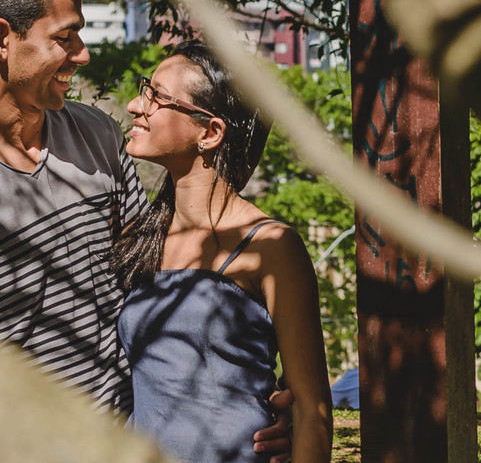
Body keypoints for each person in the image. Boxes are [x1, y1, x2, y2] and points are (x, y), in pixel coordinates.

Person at [0, 0, 291, 458]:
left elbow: (161, 281)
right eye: (66, 37)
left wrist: (266, 401)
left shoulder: (97, 135)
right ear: (1, 37)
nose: (83, 53)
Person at [113, 41, 332, 463]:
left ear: (210, 132)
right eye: (145, 89)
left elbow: (311, 410)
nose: (134, 105)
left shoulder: (271, 246)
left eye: (156, 96)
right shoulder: (139, 236)